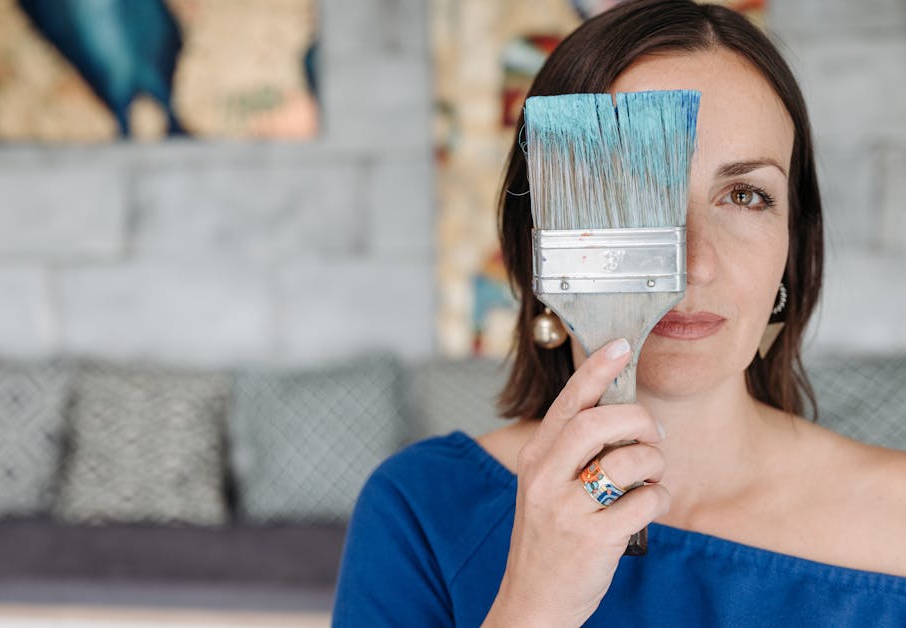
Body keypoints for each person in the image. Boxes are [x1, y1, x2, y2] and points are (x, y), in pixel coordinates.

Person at [331, 1, 906, 625]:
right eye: (630, 191)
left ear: (791, 248)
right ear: (540, 248)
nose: (693, 263)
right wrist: (535, 601)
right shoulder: (422, 509)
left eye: (745, 195)